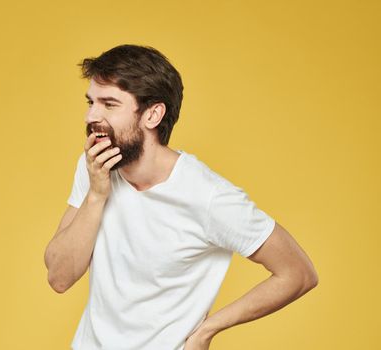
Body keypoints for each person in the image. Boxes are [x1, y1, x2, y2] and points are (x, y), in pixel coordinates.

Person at [44, 44, 319, 350]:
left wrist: (207, 330)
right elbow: (59, 277)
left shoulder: (208, 195)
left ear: (153, 114)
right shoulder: (95, 167)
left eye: (109, 104)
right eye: (91, 102)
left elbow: (298, 273)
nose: (91, 115)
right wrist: (96, 195)